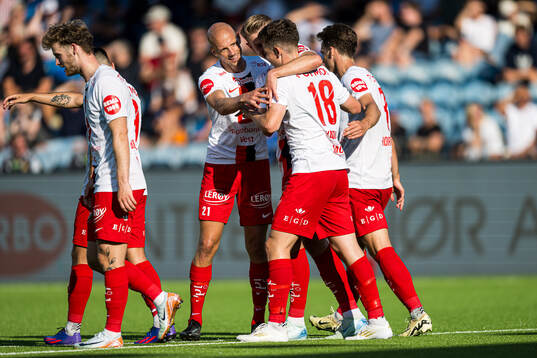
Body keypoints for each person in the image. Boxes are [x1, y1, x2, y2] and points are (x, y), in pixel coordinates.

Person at [3, 47, 180, 346]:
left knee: (101, 257)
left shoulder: (105, 83)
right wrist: (33, 96)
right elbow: (74, 100)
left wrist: (115, 180)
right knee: (113, 255)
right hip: (113, 179)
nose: (59, 62)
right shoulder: (120, 88)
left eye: (61, 56)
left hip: (111, 180)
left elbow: (118, 135)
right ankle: (156, 315)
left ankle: (152, 306)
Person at [236, 19, 389, 342]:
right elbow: (354, 104)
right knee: (349, 248)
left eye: (263, 49)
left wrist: (248, 110)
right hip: (336, 169)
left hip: (309, 171)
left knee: (277, 244)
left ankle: (277, 324)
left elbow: (270, 126)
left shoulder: (284, 81)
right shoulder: (322, 75)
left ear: (277, 50)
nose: (260, 54)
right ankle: (376, 319)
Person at [314, 23, 432, 338]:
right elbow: (387, 133)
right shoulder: (370, 77)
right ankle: (348, 313)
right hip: (377, 176)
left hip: (360, 179)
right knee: (349, 249)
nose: (322, 58)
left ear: (331, 51)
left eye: (323, 51)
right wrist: (395, 175)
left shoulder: (352, 78)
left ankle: (416, 313)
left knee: (376, 248)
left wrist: (364, 123)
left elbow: (372, 112)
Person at [179, 22, 273, 341]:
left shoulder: (263, 66)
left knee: (256, 247)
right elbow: (220, 103)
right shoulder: (210, 76)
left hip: (256, 165)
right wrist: (246, 100)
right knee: (207, 244)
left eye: (234, 44)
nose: (232, 52)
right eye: (224, 49)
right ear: (214, 52)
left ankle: (259, 320)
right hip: (220, 164)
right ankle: (194, 320)